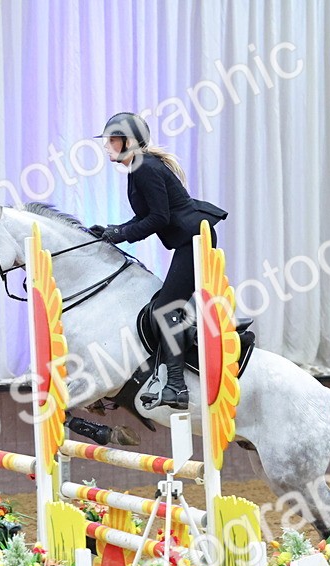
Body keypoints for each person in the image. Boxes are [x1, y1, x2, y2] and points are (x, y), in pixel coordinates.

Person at [89, 112, 228, 411]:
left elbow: (158, 218)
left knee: (167, 307)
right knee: (165, 305)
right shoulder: (138, 167)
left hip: (195, 240)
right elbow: (146, 216)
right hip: (188, 240)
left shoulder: (144, 168)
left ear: (128, 141)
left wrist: (122, 235)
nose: (106, 146)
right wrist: (114, 230)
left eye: (111, 140)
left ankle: (176, 386)